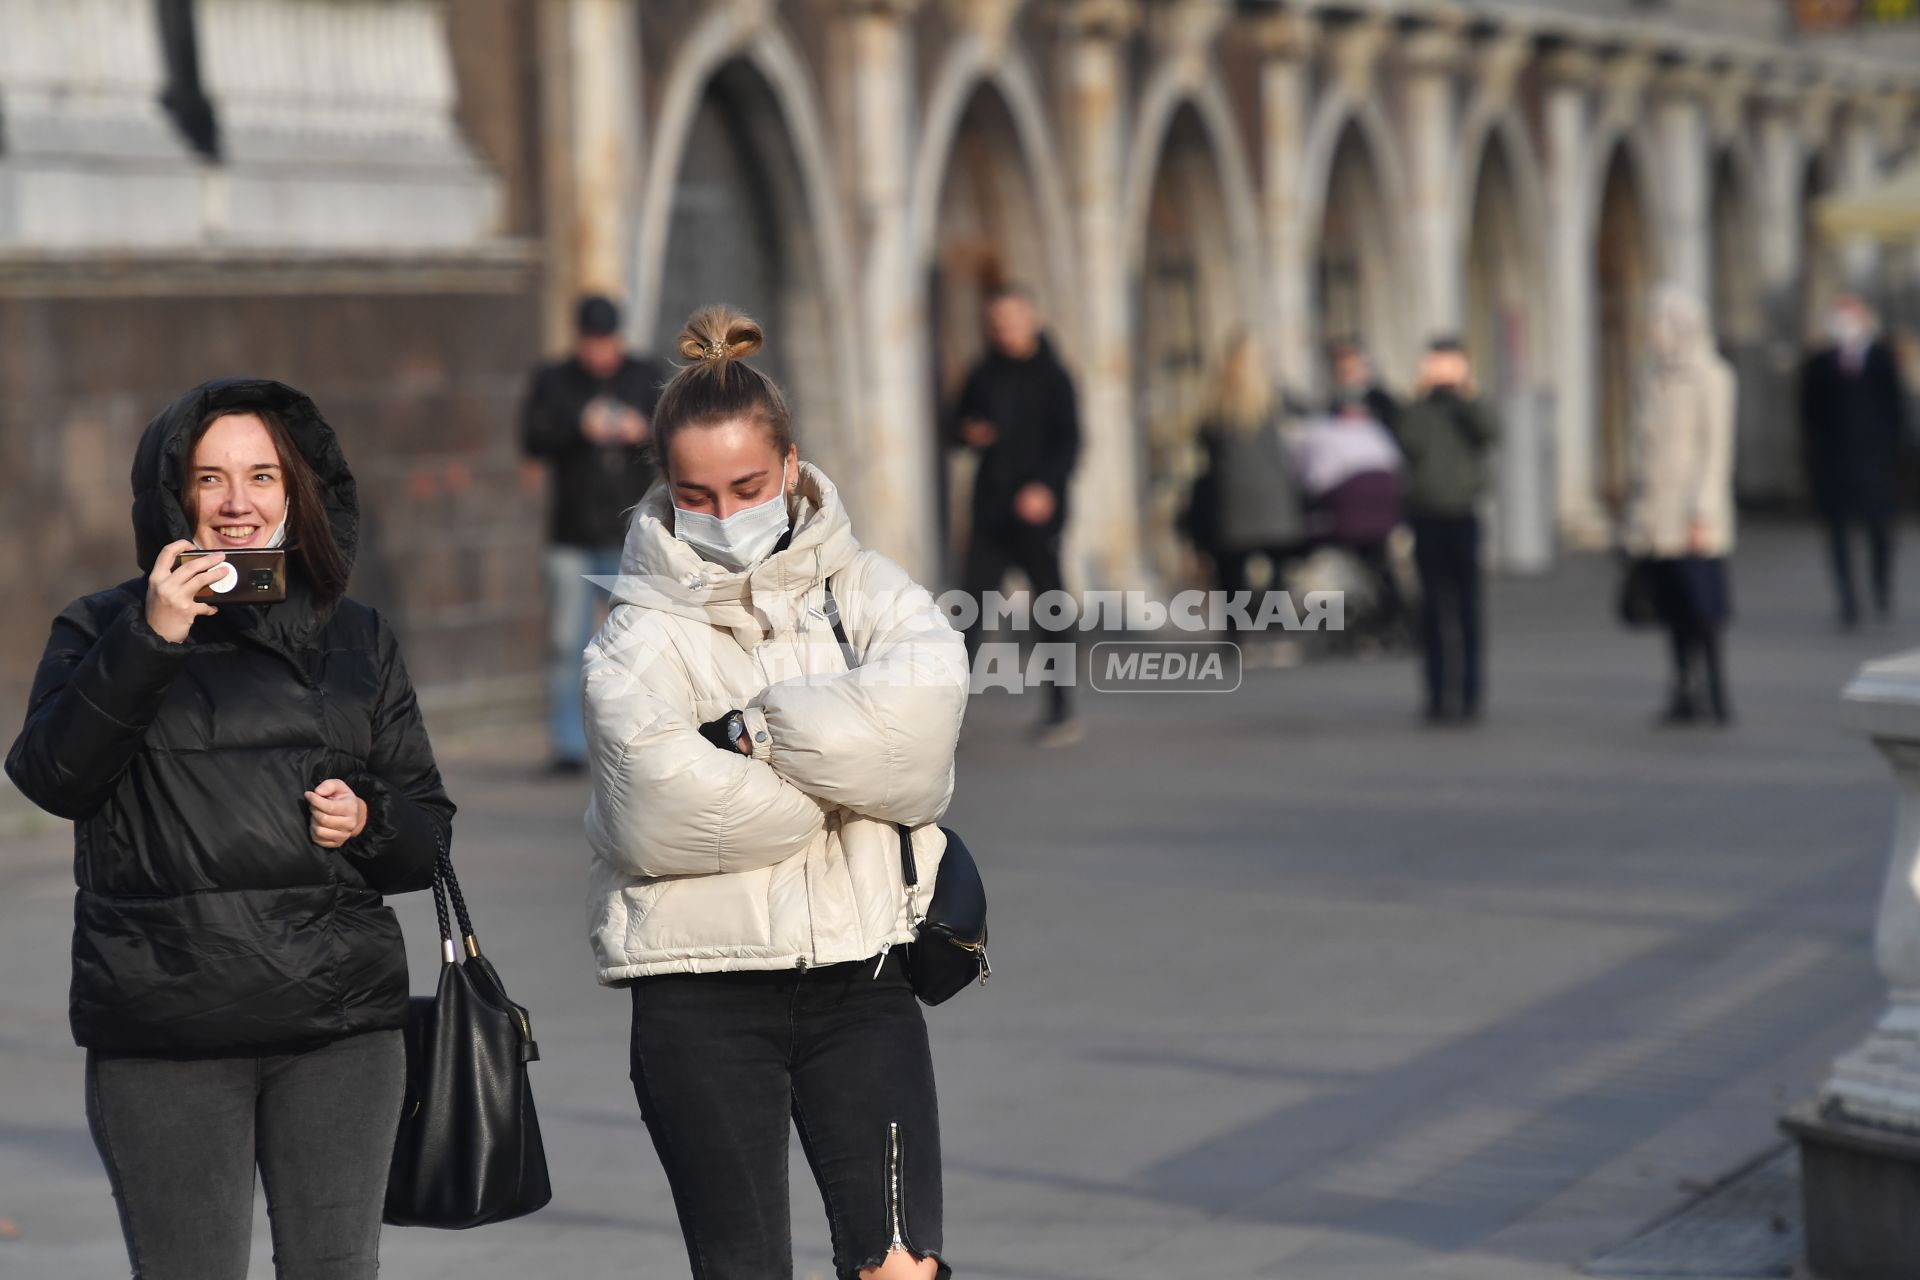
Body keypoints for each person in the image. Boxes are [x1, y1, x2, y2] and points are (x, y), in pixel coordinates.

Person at [5, 378, 453, 1279]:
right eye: (211, 479)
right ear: (175, 495)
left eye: (262, 476)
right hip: (165, 1030)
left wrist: (369, 820)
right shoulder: (101, 625)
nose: (238, 504)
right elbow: (54, 778)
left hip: (338, 1035)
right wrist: (152, 637)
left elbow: (426, 839)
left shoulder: (358, 635)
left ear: (298, 491)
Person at [583, 306, 969, 1280]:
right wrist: (844, 781)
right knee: (743, 1265)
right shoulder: (633, 633)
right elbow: (659, 813)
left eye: (748, 486)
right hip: (699, 999)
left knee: (902, 1267)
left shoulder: (870, 588)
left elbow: (919, 744)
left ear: (791, 467)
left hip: (863, 985)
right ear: (667, 488)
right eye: (697, 493)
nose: (725, 514)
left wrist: (754, 733)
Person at [522, 294, 669, 772]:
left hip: (629, 533)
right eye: (591, 341)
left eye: (605, 342)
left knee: (637, 643)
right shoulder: (555, 380)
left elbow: (675, 435)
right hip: (570, 535)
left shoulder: (644, 376)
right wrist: (578, 425)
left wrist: (640, 429)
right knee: (567, 644)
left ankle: (639, 739)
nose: (598, 352)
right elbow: (532, 436)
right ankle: (568, 747)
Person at [949, 284, 1082, 746]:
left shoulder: (1054, 377)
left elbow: (1069, 442)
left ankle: (1061, 710)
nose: (1003, 331)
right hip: (990, 511)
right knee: (968, 611)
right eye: (996, 324)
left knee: (1050, 609)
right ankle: (946, 715)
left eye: (1011, 322)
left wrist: (1045, 488)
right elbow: (953, 426)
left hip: (1037, 515)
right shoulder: (982, 372)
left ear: (1032, 321)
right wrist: (969, 431)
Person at [1627, 286, 1738, 726]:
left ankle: (1717, 690)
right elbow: (1643, 452)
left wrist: (1703, 512)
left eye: (1658, 322)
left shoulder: (1712, 376)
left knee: (1705, 607)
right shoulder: (1652, 376)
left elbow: (1716, 451)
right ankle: (1682, 689)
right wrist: (1637, 515)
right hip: (1658, 513)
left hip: (1694, 514)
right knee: (1671, 608)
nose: (1652, 332)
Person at [1397, 338, 1501, 724]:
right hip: (1426, 517)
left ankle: (1472, 693)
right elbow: (1407, 441)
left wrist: (1466, 394)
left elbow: (1491, 433)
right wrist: (1422, 392)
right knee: (1433, 610)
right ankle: (1437, 693)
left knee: (1469, 610)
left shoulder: (1470, 406)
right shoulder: (1419, 410)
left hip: (1463, 515)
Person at [1801, 292, 1910, 628]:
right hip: (1833, 462)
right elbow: (1808, 416)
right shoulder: (1819, 363)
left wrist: (1894, 455)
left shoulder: (1881, 359)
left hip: (1875, 462)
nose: (1844, 325)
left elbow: (1896, 409)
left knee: (1880, 530)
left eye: (1850, 317)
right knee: (1837, 534)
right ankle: (1848, 599)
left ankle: (1880, 587)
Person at [1190, 334, 1308, 636]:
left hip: (1233, 497)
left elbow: (1203, 442)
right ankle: (1278, 631)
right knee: (1277, 571)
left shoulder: (1217, 401)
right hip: (1273, 496)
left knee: (1232, 571)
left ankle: (1235, 634)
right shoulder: (1274, 396)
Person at [1289, 393, 1408, 649]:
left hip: (1346, 507)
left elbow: (1312, 481)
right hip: (1386, 506)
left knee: (1341, 556)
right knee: (1378, 562)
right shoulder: (1373, 430)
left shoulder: (1318, 433)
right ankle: (1392, 615)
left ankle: (1346, 619)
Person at [1329, 337, 1402, 437]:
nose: (1349, 375)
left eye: (1352, 369)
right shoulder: (1334, 402)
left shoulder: (1380, 400)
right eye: (1344, 370)